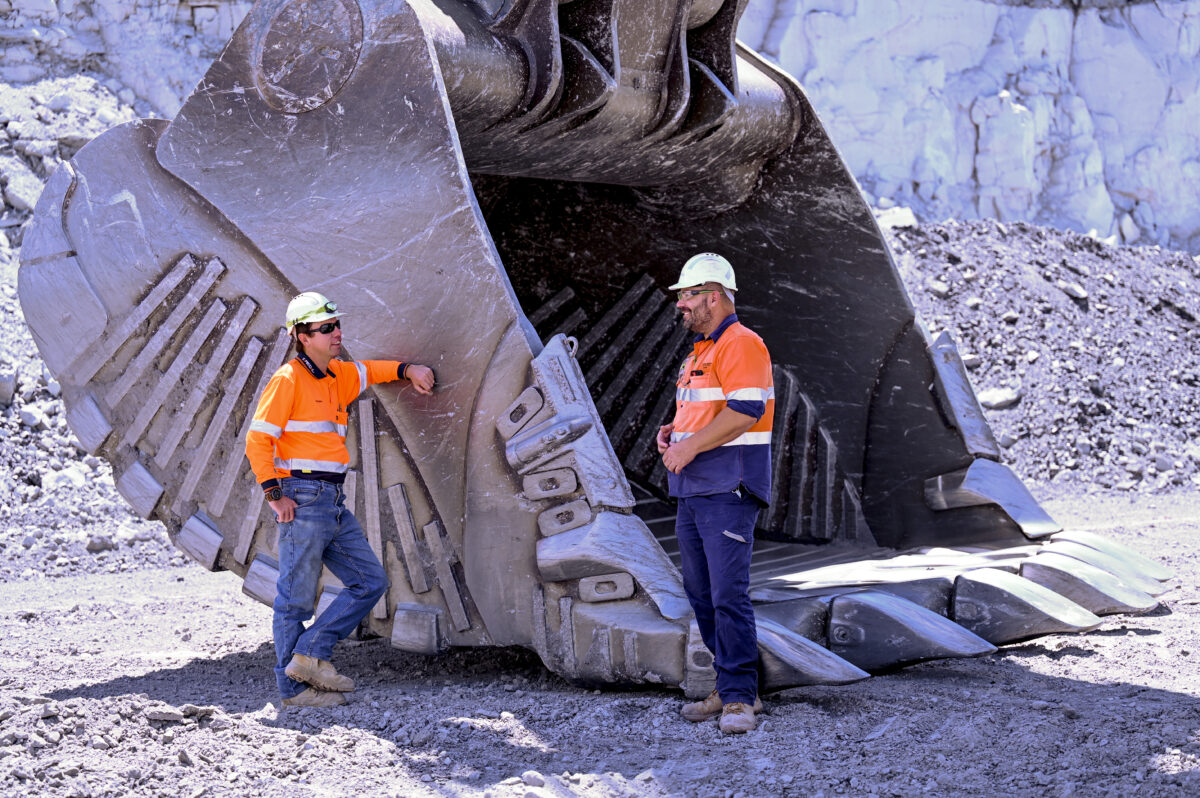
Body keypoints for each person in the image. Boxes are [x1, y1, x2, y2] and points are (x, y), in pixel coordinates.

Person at [245, 291, 435, 707]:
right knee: (294, 600)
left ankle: (310, 653)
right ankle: (294, 691)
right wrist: (274, 495)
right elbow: (258, 440)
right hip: (301, 496)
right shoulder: (287, 380)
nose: (337, 333)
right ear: (302, 337)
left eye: (337, 325)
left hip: (331, 500)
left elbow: (372, 370)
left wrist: (409, 370)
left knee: (370, 582)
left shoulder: (338, 375)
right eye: (326, 328)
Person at [656, 253, 774, 734]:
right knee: (702, 594)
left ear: (715, 296)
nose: (680, 304)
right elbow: (707, 411)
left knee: (727, 593)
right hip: (696, 487)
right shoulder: (701, 352)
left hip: (728, 486)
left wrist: (688, 448)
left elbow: (745, 410)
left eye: (688, 294)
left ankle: (741, 698)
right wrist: (675, 432)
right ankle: (728, 687)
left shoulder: (741, 343)